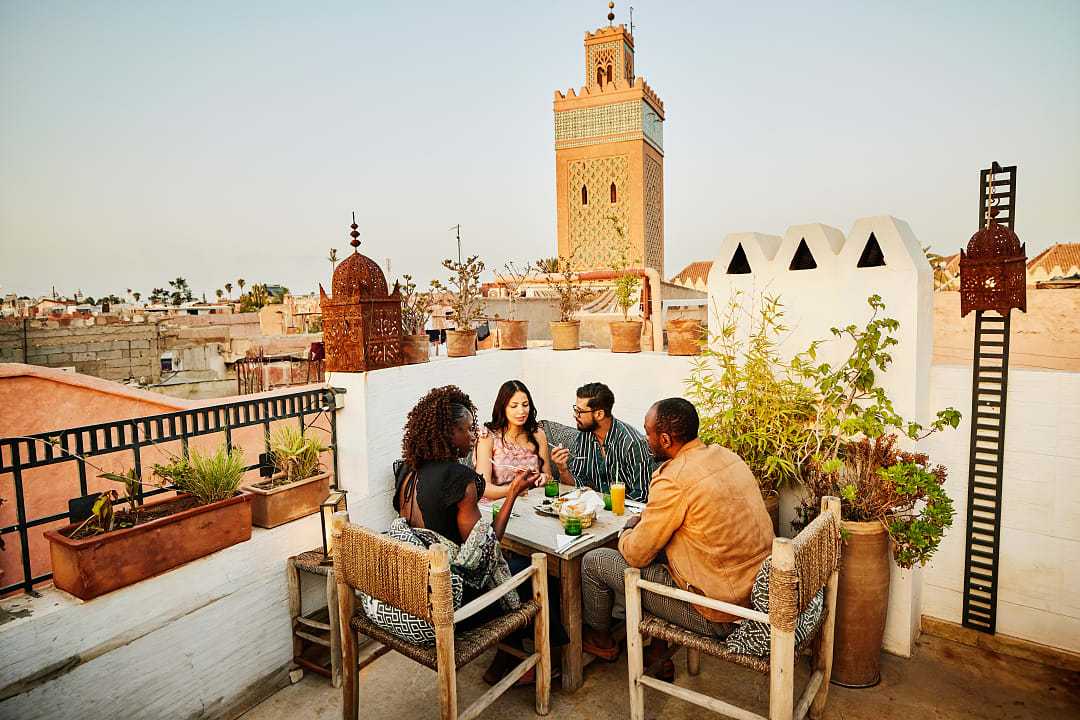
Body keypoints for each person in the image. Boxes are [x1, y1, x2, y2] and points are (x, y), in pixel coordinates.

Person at [579, 397, 774, 680]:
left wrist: (628, 531)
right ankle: (658, 654)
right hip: (752, 592)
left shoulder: (673, 478)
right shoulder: (725, 455)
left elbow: (636, 554)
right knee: (667, 548)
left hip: (718, 613)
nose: (645, 439)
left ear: (667, 439)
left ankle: (599, 638)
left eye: (648, 433)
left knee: (595, 561)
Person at [549, 382, 653, 502]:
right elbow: (578, 486)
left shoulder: (632, 443)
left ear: (599, 414)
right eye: (575, 409)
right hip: (594, 510)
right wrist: (562, 469)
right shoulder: (584, 436)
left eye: (580, 411)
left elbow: (642, 496)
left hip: (624, 514)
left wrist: (603, 504)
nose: (575, 415)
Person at [475, 380, 553, 500]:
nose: (521, 411)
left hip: (530, 502)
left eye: (525, 405)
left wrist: (544, 478)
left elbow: (548, 477)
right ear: (503, 408)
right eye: (514, 406)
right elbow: (484, 488)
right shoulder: (488, 437)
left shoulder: (538, 434)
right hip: (497, 505)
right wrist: (515, 489)